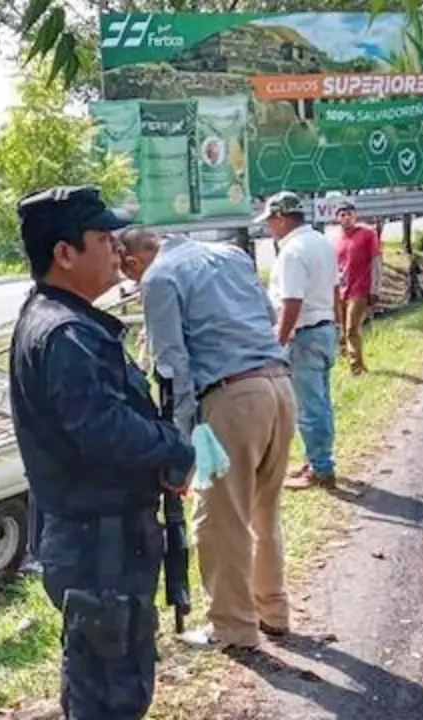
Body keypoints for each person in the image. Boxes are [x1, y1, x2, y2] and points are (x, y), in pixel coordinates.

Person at [9, 186, 196, 718]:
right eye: (102, 238)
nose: (117, 248)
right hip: (100, 546)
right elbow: (104, 429)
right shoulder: (66, 333)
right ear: (65, 253)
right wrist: (174, 448)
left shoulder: (62, 321)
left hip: (100, 541)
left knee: (105, 679)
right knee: (111, 691)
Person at [119, 227, 296, 651]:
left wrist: (178, 451)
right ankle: (273, 611)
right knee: (263, 512)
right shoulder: (231, 255)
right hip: (279, 388)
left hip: (231, 399)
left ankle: (234, 627)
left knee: (220, 519)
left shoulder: (159, 278)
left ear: (131, 262)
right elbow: (269, 319)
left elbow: (172, 367)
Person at [259, 191, 339, 490]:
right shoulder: (320, 242)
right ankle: (317, 459)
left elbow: (292, 301)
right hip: (325, 328)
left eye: (270, 222)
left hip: (304, 334)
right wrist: (337, 324)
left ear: (281, 218)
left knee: (309, 406)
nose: (269, 228)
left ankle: (321, 468)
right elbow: (334, 289)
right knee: (321, 401)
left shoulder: (292, 252)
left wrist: (277, 343)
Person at [333, 200, 382, 375]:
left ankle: (357, 369)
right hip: (341, 291)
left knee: (351, 329)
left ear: (355, 215)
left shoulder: (367, 234)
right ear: (337, 218)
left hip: (360, 289)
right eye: (342, 215)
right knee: (342, 330)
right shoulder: (336, 240)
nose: (346, 218)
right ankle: (349, 361)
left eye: (349, 214)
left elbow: (376, 262)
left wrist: (375, 289)